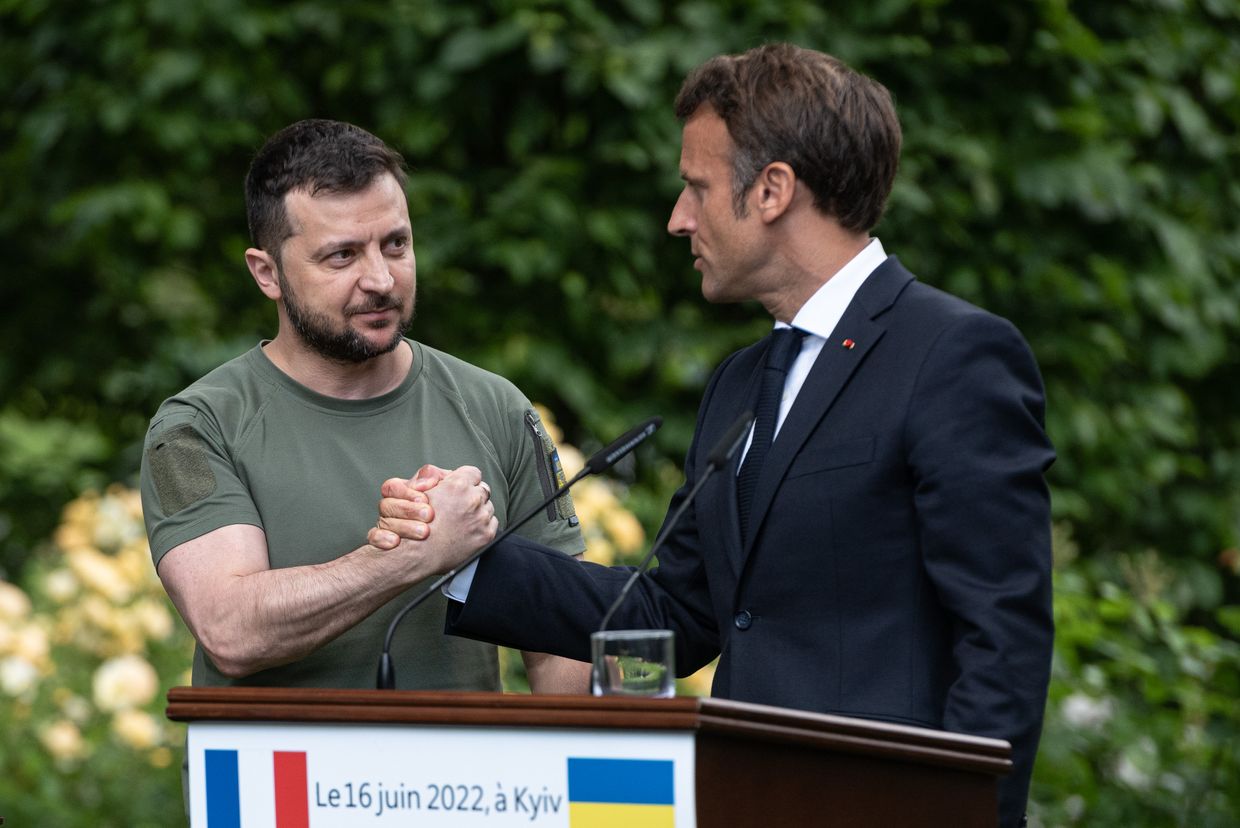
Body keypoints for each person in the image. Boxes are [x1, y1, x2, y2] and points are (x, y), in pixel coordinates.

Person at [373, 44, 1055, 827]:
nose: (678, 218)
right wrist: (466, 562)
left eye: (695, 187)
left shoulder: (953, 354)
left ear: (772, 191)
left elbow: (1002, 636)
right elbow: (675, 615)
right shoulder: (742, 380)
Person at [140, 119, 589, 694]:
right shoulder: (195, 429)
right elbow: (231, 631)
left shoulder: (496, 408)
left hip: (462, 785)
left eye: (395, 244)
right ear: (267, 273)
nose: (380, 279)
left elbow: (564, 654)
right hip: (277, 782)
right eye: (342, 256)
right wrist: (409, 556)